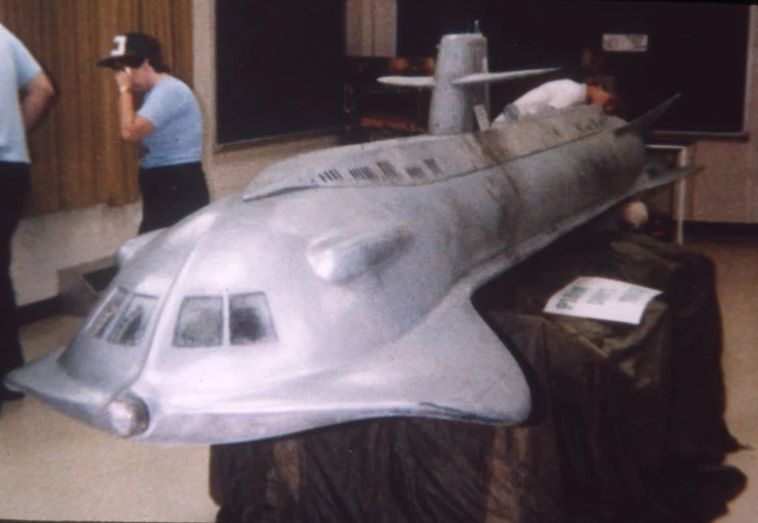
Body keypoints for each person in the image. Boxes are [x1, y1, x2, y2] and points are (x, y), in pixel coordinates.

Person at [97, 32, 209, 234]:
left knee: (158, 248)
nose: (120, 77)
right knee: (153, 245)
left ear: (145, 63)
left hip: (177, 184)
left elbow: (130, 132)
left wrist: (124, 90)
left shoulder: (169, 90)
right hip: (164, 182)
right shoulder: (156, 93)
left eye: (124, 69)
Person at [0, 23, 55, 402]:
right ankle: (8, 375)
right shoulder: (3, 35)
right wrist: (15, 132)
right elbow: (42, 88)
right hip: (13, 169)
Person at [494, 78, 618, 122]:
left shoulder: (578, 95)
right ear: (599, 87)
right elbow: (550, 119)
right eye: (609, 102)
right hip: (511, 124)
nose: (606, 109)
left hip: (521, 122)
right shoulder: (574, 92)